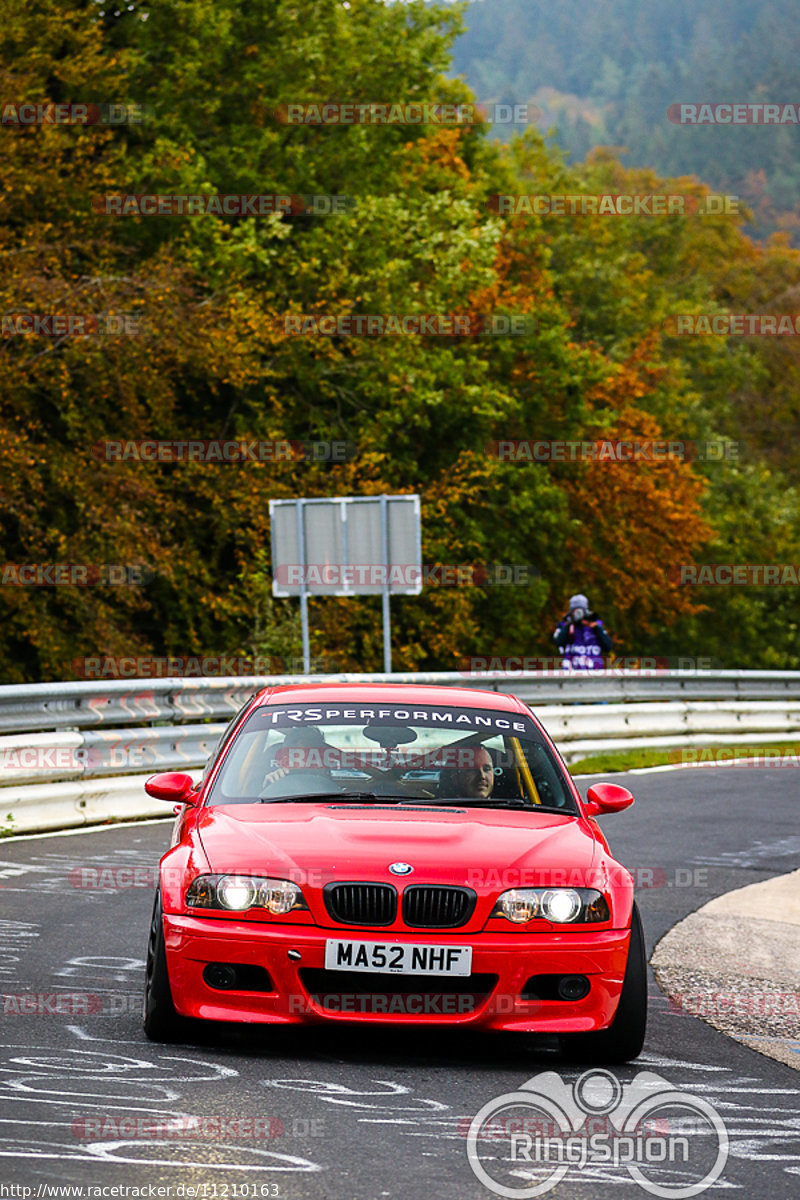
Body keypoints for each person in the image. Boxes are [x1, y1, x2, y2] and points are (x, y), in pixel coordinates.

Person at [553, 592, 612, 671]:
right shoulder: (566, 626)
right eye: (576, 611)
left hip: (594, 673)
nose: (579, 614)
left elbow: (608, 646)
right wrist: (569, 624)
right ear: (571, 612)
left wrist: (596, 628)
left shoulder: (595, 625)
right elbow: (558, 642)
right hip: (571, 673)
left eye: (581, 611)